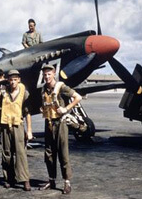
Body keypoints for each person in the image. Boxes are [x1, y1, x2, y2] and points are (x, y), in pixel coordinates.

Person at [39, 64, 82, 194]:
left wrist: (66, 108)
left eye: (49, 74)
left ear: (53, 74)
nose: (47, 77)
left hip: (60, 123)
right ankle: (51, 180)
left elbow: (78, 97)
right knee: (49, 154)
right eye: (45, 74)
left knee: (63, 154)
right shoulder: (43, 89)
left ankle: (66, 182)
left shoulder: (61, 87)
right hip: (49, 124)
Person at [0, 70, 33, 191]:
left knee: (21, 153)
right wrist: (0, 94)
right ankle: (8, 178)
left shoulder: (24, 93)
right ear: (8, 80)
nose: (13, 82)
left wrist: (29, 130)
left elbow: (27, 112)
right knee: (6, 153)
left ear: (19, 80)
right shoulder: (3, 91)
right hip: (5, 125)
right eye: (11, 79)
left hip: (18, 125)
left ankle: (25, 179)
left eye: (15, 79)